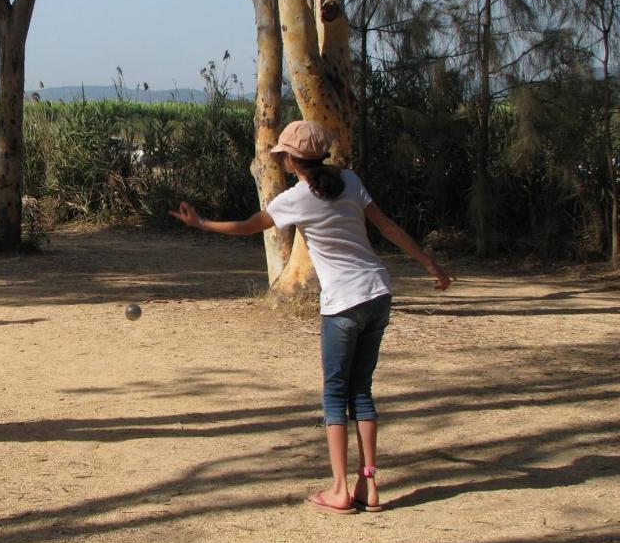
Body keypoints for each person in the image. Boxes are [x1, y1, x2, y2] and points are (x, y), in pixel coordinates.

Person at [170, 120, 452, 514]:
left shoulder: (295, 198)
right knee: (362, 391)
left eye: (283, 155)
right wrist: (429, 263)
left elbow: (251, 226)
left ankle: (339, 490)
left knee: (335, 393)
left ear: (290, 159)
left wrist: (201, 223)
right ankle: (368, 485)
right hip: (377, 293)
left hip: (343, 304)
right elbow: (387, 226)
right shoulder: (350, 181)